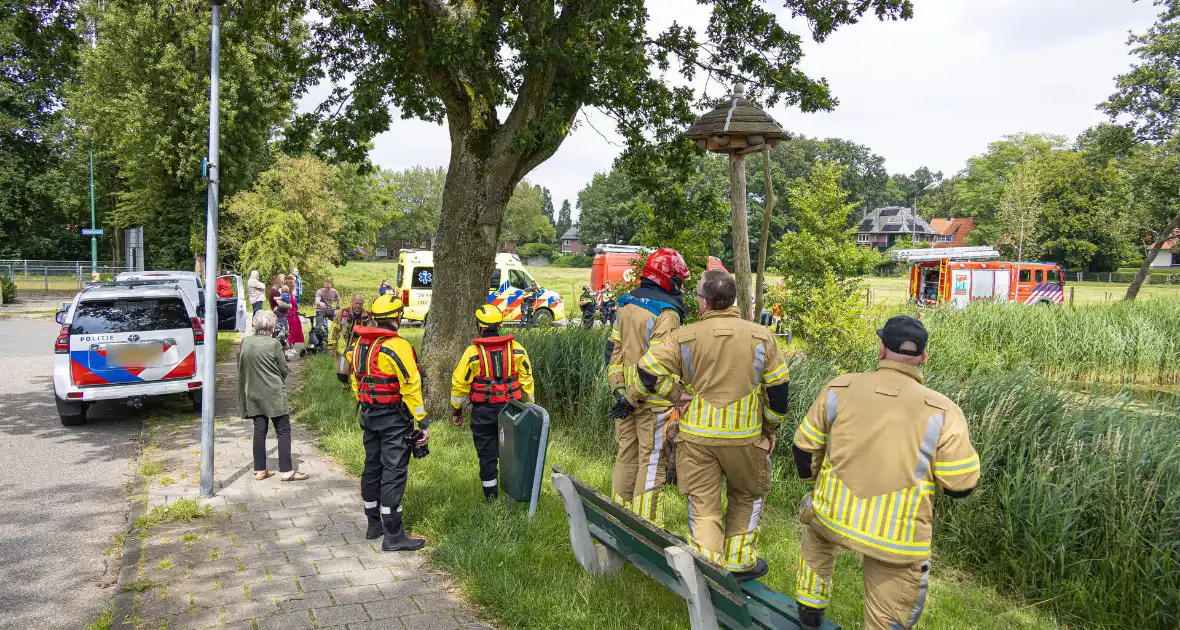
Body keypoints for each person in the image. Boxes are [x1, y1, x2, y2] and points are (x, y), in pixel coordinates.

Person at [791, 316, 980, 630]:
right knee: (887, 616)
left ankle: (810, 605)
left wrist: (816, 483)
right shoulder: (945, 411)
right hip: (897, 538)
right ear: (922, 357)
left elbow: (804, 450)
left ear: (882, 350)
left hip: (833, 515)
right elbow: (961, 484)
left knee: (814, 524)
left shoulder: (840, 387)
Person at [614, 270, 789, 581]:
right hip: (746, 438)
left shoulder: (685, 336)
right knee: (747, 496)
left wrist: (676, 394)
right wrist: (769, 430)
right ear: (732, 299)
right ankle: (738, 561)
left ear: (704, 303)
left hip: (697, 440)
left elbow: (647, 370)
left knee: (704, 505)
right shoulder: (763, 337)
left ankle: (706, 567)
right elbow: (778, 391)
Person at [604, 248, 689, 526]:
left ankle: (619, 523)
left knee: (626, 457)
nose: (681, 286)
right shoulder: (667, 313)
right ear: (668, 279)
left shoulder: (626, 304)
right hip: (653, 404)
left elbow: (612, 352)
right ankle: (647, 532)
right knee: (652, 463)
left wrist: (619, 391)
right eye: (679, 280)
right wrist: (677, 395)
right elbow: (656, 368)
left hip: (626, 400)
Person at [346, 294, 430, 552]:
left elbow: (355, 379)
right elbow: (411, 385)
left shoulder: (360, 344)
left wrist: (366, 401)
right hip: (394, 418)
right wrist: (422, 421)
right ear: (397, 317)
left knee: (372, 466)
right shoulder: (398, 346)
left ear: (373, 316)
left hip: (369, 414)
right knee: (393, 471)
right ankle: (393, 536)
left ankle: (374, 525)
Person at [449, 305, 535, 501]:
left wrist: (456, 411)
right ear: (500, 325)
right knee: (513, 452)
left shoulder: (472, 353)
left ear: (479, 326)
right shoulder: (517, 350)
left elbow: (459, 383)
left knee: (487, 456)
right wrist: (531, 408)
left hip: (483, 412)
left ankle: (491, 498)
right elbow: (527, 382)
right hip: (512, 411)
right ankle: (514, 495)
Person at [239, 311, 308, 482]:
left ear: (255, 325)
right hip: (273, 394)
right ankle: (286, 471)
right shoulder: (274, 344)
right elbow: (283, 369)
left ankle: (260, 469)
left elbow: (242, 366)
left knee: (259, 431)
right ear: (271, 326)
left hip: (253, 393)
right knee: (283, 431)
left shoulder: (245, 342)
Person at [330, 292, 372, 385]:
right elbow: (334, 329)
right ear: (352, 302)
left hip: (360, 349)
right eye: (356, 303)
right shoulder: (343, 313)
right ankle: (346, 385)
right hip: (343, 349)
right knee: (342, 374)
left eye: (360, 303)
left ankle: (354, 389)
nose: (358, 306)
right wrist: (331, 346)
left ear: (363, 304)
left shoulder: (368, 316)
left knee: (357, 371)